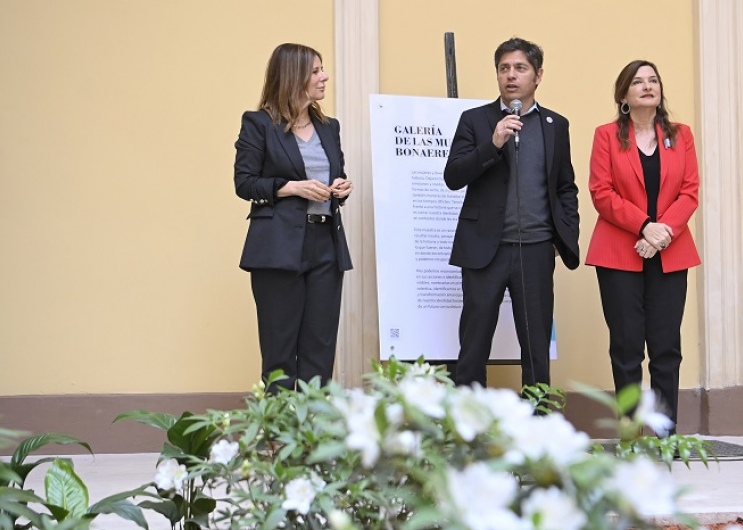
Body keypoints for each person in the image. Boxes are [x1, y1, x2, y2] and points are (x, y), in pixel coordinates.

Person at [444, 38, 580, 389]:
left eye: (520, 68)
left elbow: (566, 186)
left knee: (536, 346)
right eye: (504, 68)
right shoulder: (475, 120)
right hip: (484, 249)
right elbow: (453, 177)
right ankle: (468, 427)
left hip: (535, 249)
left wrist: (563, 235)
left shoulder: (556, 125)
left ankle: (537, 426)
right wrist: (493, 143)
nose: (511, 75)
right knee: (474, 343)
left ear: (538, 76)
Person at [586, 60, 700, 433]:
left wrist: (662, 232)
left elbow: (689, 191)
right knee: (627, 348)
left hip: (671, 250)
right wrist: (645, 227)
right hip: (619, 252)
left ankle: (666, 434)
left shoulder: (681, 135)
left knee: (667, 349)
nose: (647, 86)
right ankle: (631, 434)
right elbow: (601, 193)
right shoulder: (606, 135)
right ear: (623, 95)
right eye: (637, 81)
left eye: (653, 80)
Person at [234, 43, 353, 391]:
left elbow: (334, 173)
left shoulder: (328, 127)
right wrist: (293, 188)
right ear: (293, 75)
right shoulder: (259, 124)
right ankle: (278, 440)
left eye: (321, 69)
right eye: (316, 71)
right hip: (278, 248)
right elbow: (245, 183)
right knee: (280, 352)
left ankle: (314, 439)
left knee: (320, 348)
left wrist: (340, 188)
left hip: (325, 245)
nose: (324, 76)